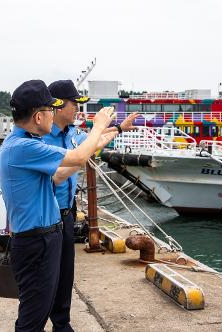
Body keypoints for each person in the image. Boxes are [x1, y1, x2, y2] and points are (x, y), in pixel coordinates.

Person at [0, 80, 115, 332]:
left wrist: (107, 134)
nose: (54, 114)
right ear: (39, 116)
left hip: (43, 236)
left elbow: (59, 175)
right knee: (33, 317)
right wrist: (98, 127)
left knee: (41, 307)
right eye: (51, 109)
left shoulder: (26, 143)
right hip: (36, 240)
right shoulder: (23, 147)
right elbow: (80, 157)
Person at [43, 80, 139, 332]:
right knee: (44, 277)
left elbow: (94, 142)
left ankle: (61, 324)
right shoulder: (41, 137)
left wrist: (118, 128)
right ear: (58, 105)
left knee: (65, 274)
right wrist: (101, 127)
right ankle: (36, 322)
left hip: (67, 212)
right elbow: (75, 160)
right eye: (74, 103)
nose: (77, 108)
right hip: (44, 215)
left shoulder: (72, 133)